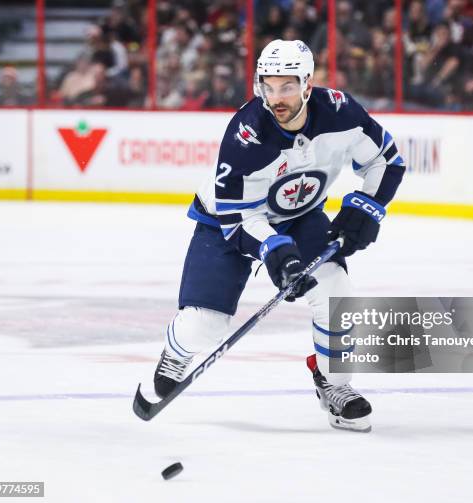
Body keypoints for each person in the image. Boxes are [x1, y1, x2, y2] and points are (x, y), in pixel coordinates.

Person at [151, 40, 406, 432]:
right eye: (268, 86)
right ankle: (175, 351)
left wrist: (365, 209)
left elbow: (386, 160)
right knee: (205, 325)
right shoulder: (247, 134)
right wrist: (276, 252)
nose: (276, 97)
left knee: (337, 292)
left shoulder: (340, 112)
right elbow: (239, 218)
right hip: (227, 222)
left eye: (286, 86)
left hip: (300, 216)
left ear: (307, 84)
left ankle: (334, 385)